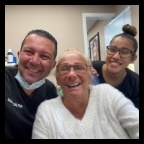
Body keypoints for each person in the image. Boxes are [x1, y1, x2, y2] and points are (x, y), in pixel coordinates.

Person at [32, 47, 139, 139]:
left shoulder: (107, 94)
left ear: (90, 76)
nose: (72, 74)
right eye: (64, 68)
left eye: (79, 67)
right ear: (57, 79)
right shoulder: (46, 111)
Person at [5, 29, 58, 139]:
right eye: (29, 52)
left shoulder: (50, 91)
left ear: (53, 65)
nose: (34, 61)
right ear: (19, 55)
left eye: (44, 56)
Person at [92, 24, 139, 109]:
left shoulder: (136, 84)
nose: (116, 56)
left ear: (133, 58)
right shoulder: (91, 68)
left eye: (124, 52)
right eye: (112, 49)